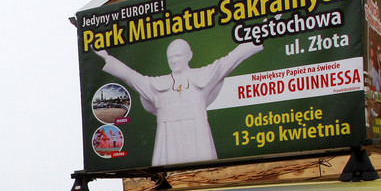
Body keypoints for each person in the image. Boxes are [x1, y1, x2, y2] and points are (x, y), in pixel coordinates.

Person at [94, 38, 263, 166]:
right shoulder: (157, 85)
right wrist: (107, 57)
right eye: (170, 57)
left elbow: (230, 59)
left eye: (177, 56)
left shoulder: (203, 76)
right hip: (169, 140)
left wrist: (256, 36)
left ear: (189, 56)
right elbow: (131, 76)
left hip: (198, 136)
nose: (173, 60)